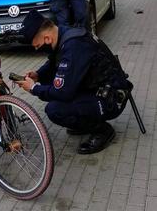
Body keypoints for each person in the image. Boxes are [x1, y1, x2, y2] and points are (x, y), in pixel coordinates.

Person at [17, 10, 133, 154]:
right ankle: (84, 121)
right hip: (98, 88)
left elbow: (62, 93)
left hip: (111, 99)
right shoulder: (63, 33)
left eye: (37, 46)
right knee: (51, 85)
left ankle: (103, 130)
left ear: (47, 39)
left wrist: (34, 88)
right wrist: (38, 75)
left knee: (55, 109)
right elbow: (54, 62)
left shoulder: (74, 47)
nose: (36, 49)